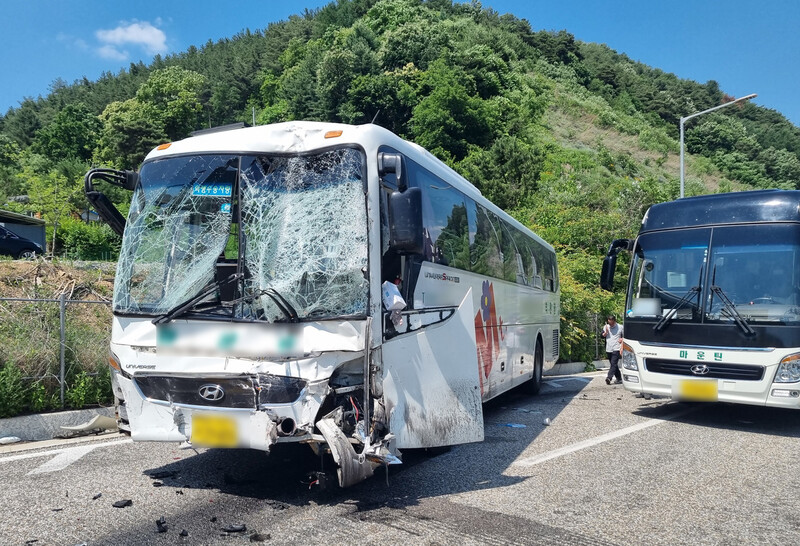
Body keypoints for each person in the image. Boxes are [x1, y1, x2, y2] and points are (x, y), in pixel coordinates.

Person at [601, 314, 624, 385]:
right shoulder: (606, 327)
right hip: (609, 348)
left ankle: (609, 377)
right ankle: (619, 378)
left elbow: (625, 336)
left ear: (614, 321)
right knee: (613, 364)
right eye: (609, 323)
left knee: (613, 363)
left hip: (617, 348)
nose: (610, 325)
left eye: (612, 323)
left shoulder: (620, 327)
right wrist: (605, 333)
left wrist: (622, 339)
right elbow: (601, 335)